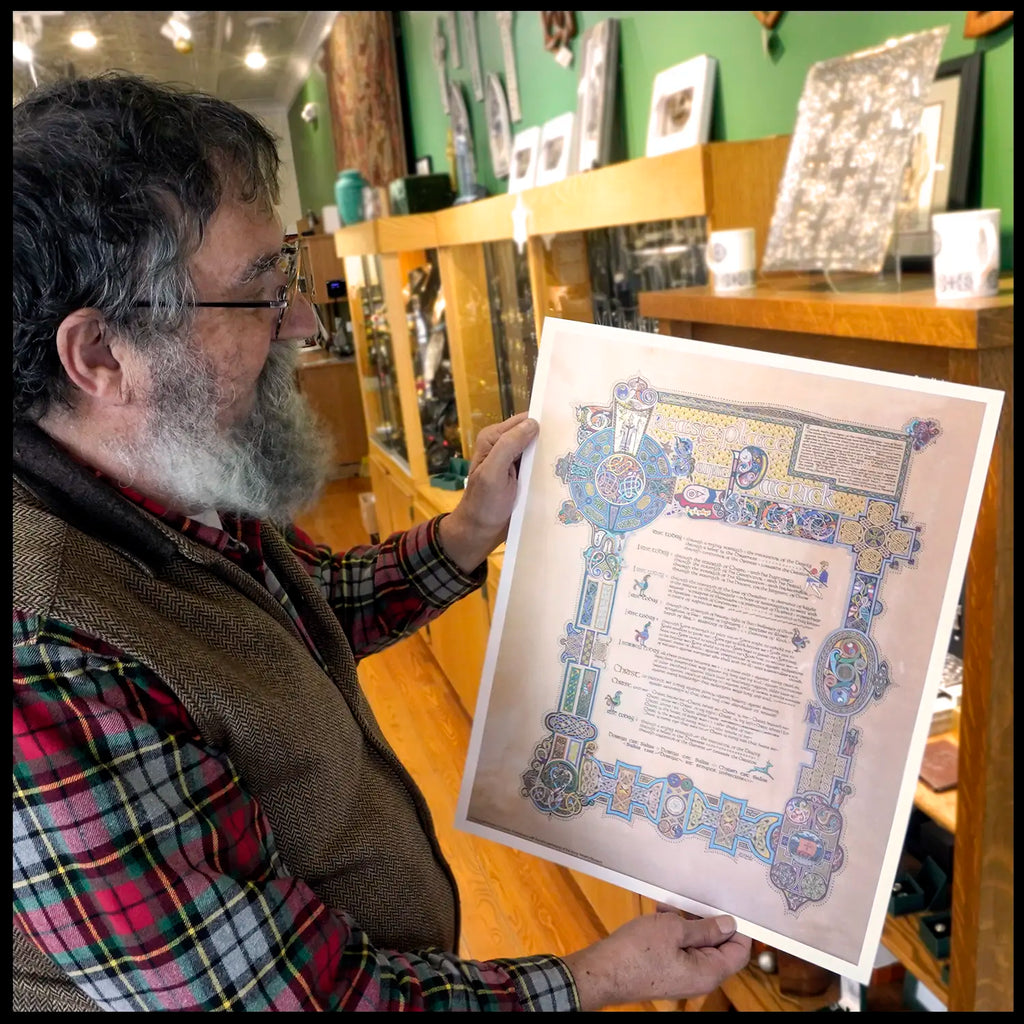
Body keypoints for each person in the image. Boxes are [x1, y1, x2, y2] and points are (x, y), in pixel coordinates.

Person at [12, 72, 751, 1012]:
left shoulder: (168, 475)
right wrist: (599, 978)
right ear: (104, 356)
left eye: (285, 272)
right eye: (257, 294)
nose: (304, 322)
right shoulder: (46, 656)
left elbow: (299, 618)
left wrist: (467, 531)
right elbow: (302, 1005)